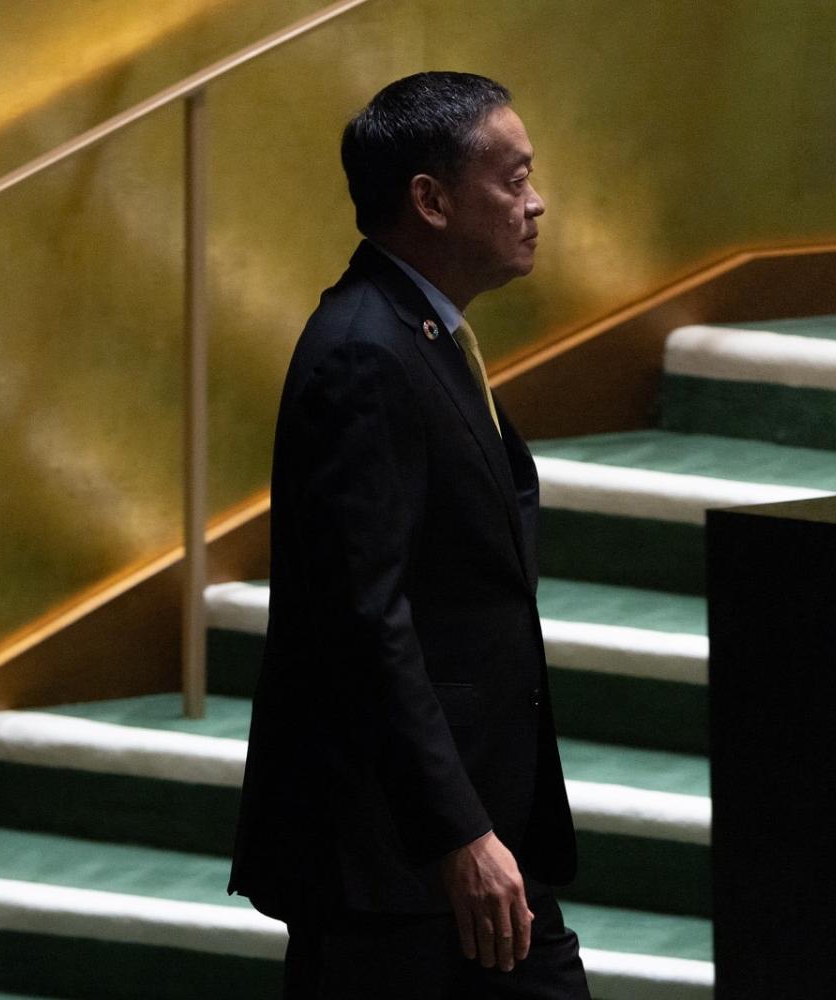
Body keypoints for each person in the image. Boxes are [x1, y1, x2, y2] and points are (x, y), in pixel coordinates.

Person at [228, 71, 589, 999]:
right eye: (511, 179)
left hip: (471, 841)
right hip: (400, 863)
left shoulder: (420, 334)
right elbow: (364, 620)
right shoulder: (364, 351)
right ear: (429, 200)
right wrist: (455, 835)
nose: (535, 202)